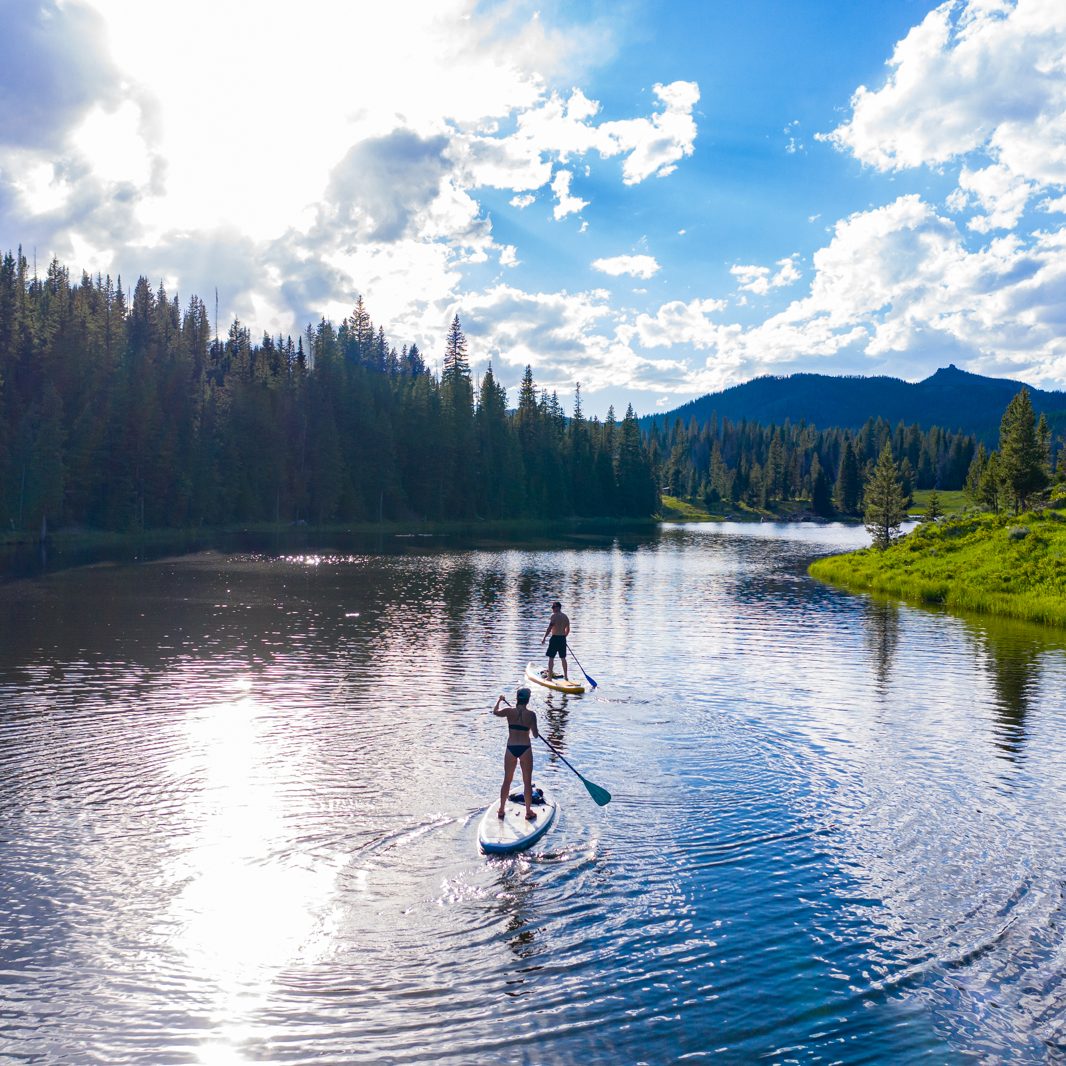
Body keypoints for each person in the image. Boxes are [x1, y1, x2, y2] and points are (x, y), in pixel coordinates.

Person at [493, 688, 540, 821]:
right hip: (525, 748)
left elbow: (495, 712)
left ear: (517, 698)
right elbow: (536, 735)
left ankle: (501, 810)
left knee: (507, 780)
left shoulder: (509, 711)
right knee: (527, 782)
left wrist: (499, 700)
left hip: (511, 748)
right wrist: (531, 728)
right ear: (528, 699)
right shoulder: (531, 715)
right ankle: (528, 812)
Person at [540, 600, 570, 681]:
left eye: (554, 607)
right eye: (552, 607)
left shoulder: (554, 616)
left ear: (558, 607)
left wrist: (544, 638)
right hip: (562, 639)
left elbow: (549, 628)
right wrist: (564, 637)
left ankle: (549, 677)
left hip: (555, 639)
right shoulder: (565, 617)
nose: (552, 608)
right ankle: (566, 677)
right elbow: (568, 630)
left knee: (551, 658)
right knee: (563, 658)